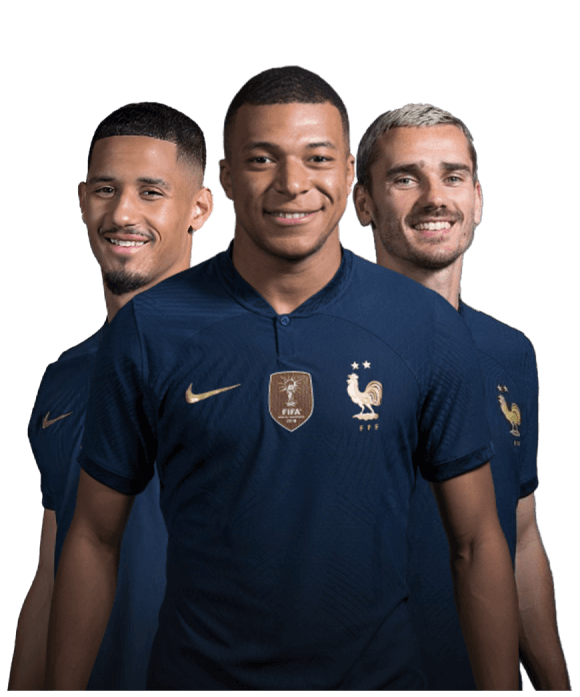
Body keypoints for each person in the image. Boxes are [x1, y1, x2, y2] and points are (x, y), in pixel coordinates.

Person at [46, 67, 519, 691]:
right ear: (226, 178)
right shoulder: (148, 329)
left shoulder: (425, 326)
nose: (292, 184)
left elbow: (477, 541)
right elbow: (93, 537)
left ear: (348, 174)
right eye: (261, 159)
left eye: (316, 158)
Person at [353, 103, 570, 691]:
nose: (435, 198)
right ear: (364, 204)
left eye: (453, 177)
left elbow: (519, 535)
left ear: (477, 199)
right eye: (406, 178)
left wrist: (553, 682)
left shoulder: (510, 352)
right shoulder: (316, 346)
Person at [9, 101, 213, 690]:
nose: (122, 213)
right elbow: (52, 574)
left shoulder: (258, 354)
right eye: (105, 189)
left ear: (199, 209)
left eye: (151, 192)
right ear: (82, 200)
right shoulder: (63, 377)